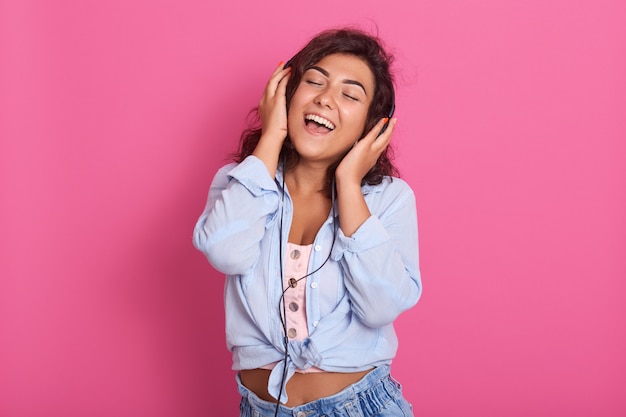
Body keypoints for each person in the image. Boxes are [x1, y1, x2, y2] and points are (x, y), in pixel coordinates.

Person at [193, 27, 422, 417]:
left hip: (361, 406)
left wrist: (348, 185)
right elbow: (225, 252)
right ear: (284, 95)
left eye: (350, 95)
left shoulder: (389, 199)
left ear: (372, 127)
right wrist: (272, 135)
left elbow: (380, 307)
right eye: (313, 81)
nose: (325, 98)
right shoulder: (242, 184)